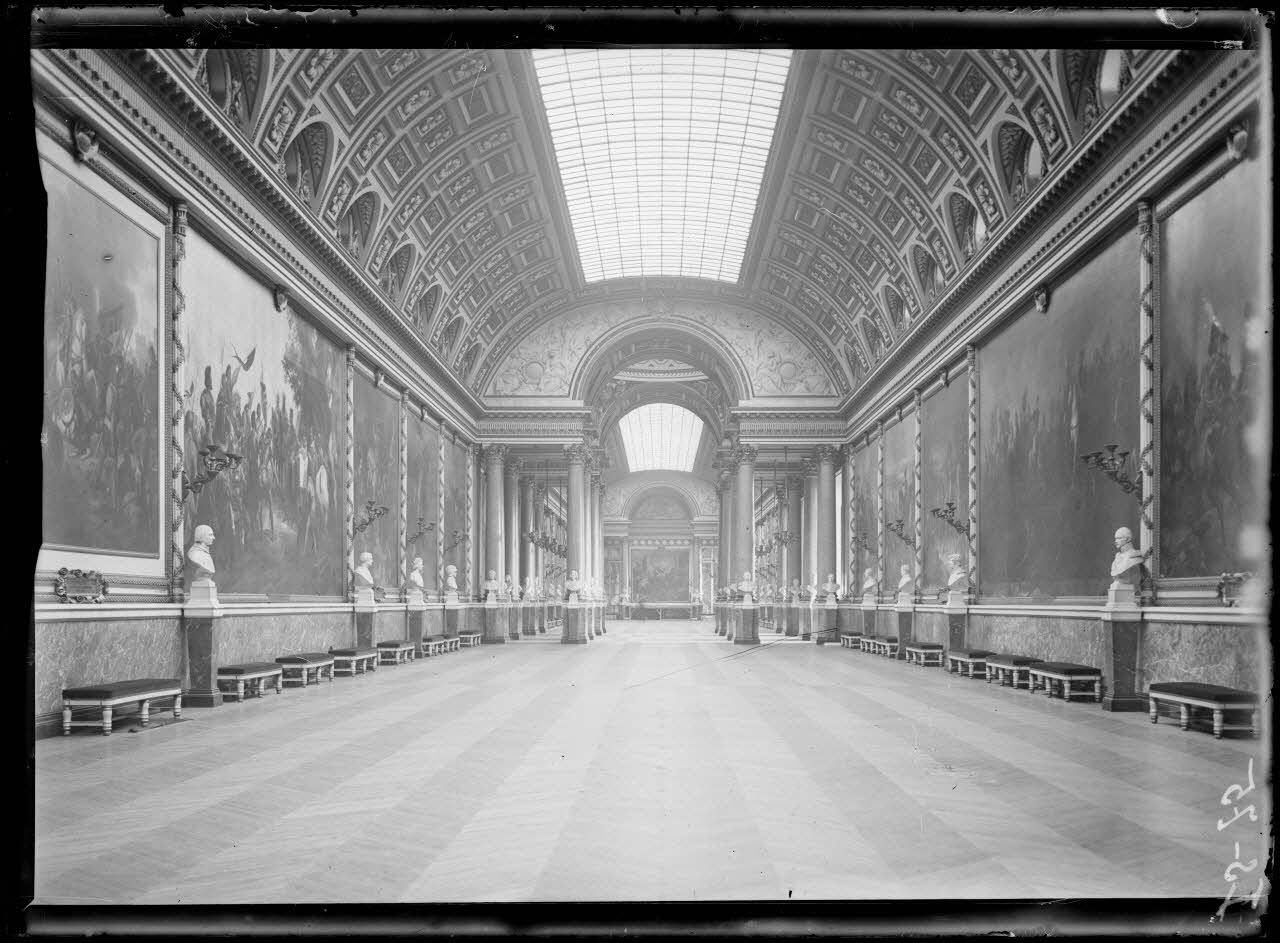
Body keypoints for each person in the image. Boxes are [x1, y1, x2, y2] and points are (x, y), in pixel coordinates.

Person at [1110, 526, 1144, 591]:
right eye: (1115, 538)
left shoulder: (1134, 556)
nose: (1116, 541)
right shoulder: (1118, 557)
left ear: (1128, 539)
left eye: (1119, 538)